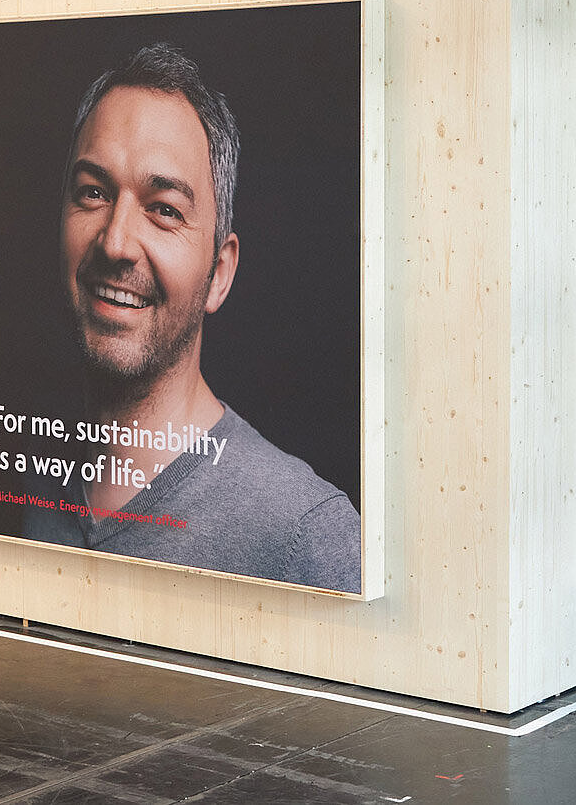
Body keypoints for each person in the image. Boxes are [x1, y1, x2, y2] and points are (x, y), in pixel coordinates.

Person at [22, 42, 362, 591]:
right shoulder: (35, 492)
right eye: (93, 192)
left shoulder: (309, 541)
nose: (116, 242)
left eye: (164, 210)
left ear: (219, 272)